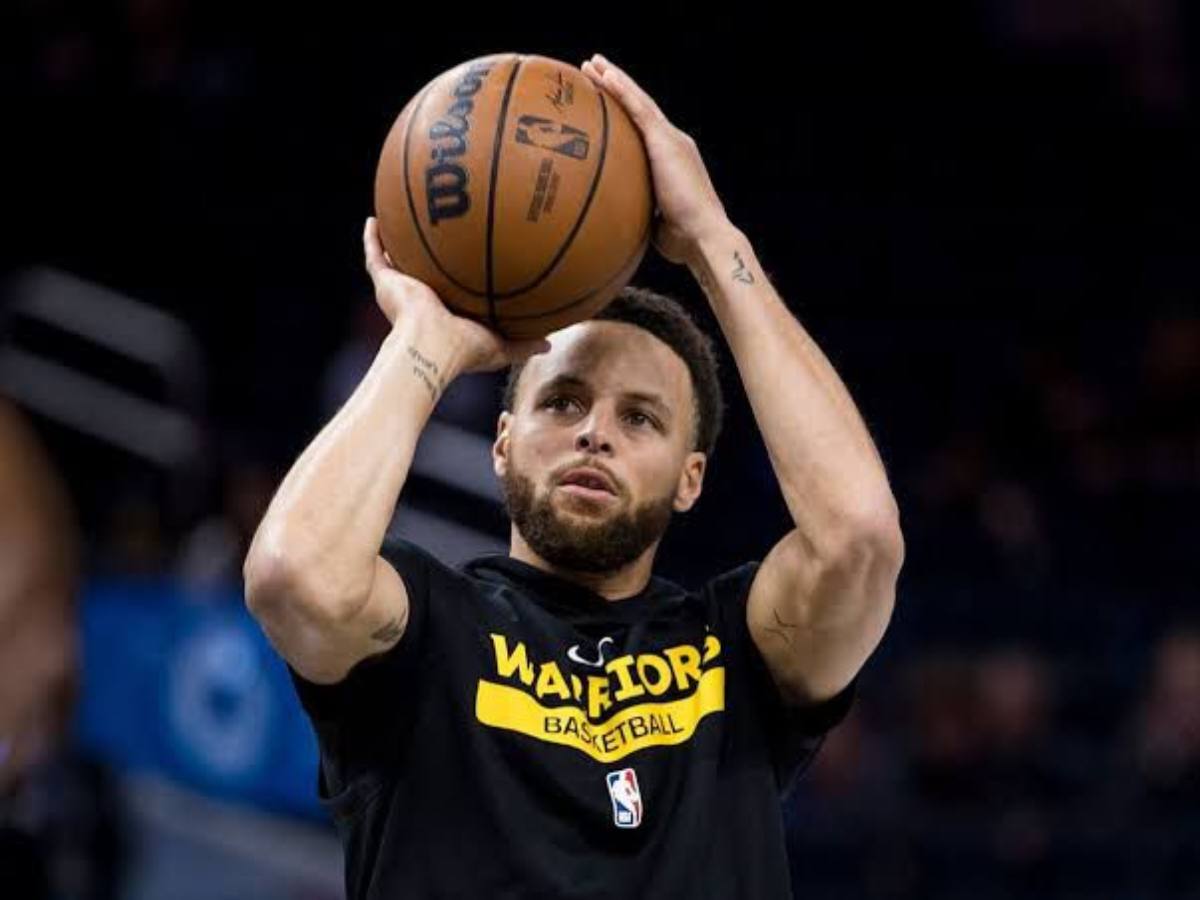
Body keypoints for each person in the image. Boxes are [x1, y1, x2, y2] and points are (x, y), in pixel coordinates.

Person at [244, 54, 904, 898]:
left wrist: (711, 242)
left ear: (691, 478)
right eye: (563, 403)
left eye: (641, 418)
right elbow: (292, 576)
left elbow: (860, 538)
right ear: (501, 443)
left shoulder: (736, 652)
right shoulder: (428, 629)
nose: (595, 432)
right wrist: (423, 345)